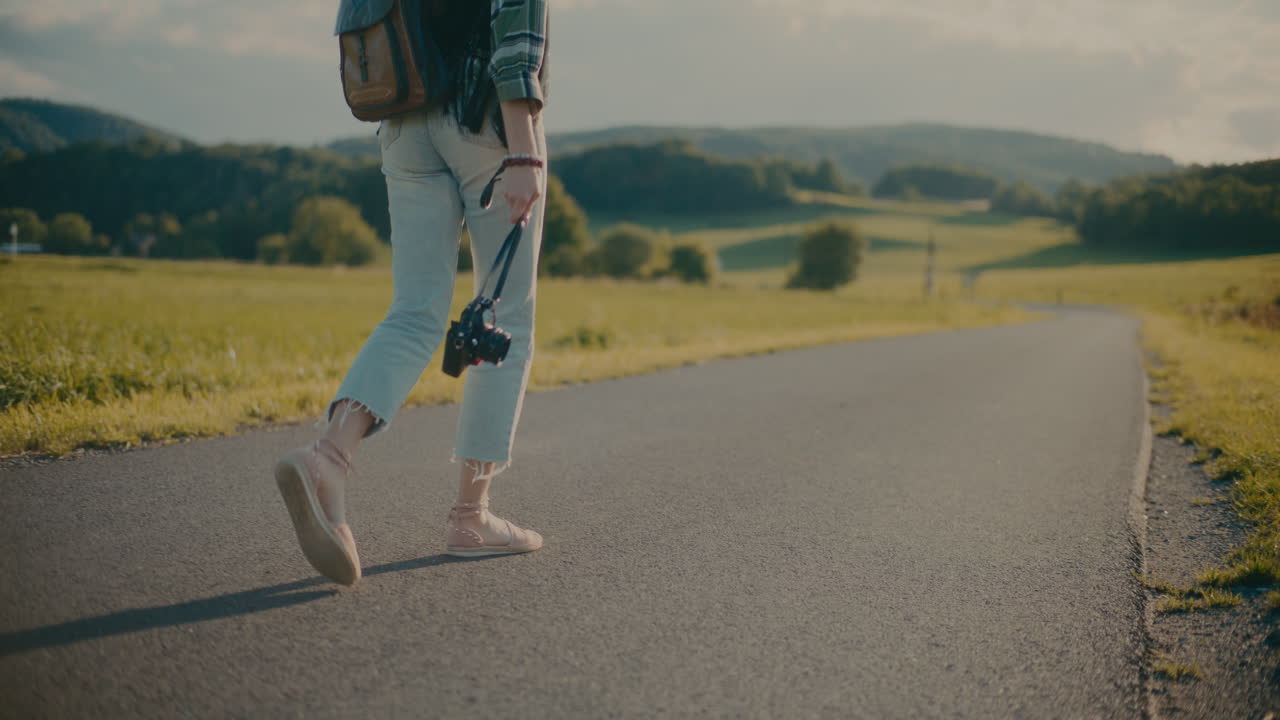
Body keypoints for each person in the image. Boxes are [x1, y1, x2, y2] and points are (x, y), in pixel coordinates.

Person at [274, 0, 551, 586]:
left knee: (413, 312)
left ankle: (328, 457)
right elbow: (515, 38)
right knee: (504, 316)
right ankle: (470, 518)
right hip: (482, 120)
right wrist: (525, 147)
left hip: (402, 116)